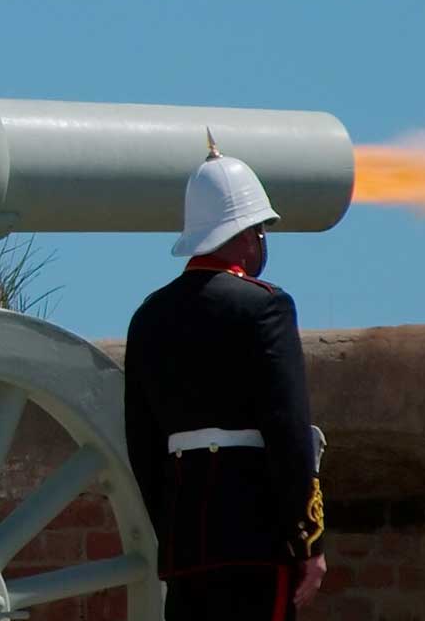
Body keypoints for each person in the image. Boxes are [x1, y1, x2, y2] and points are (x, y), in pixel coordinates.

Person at [124, 133, 327, 620]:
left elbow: (142, 446)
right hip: (255, 539)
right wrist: (307, 542)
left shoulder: (148, 317)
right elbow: (287, 431)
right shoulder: (265, 307)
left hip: (186, 549)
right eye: (260, 230)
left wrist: (172, 532)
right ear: (247, 234)